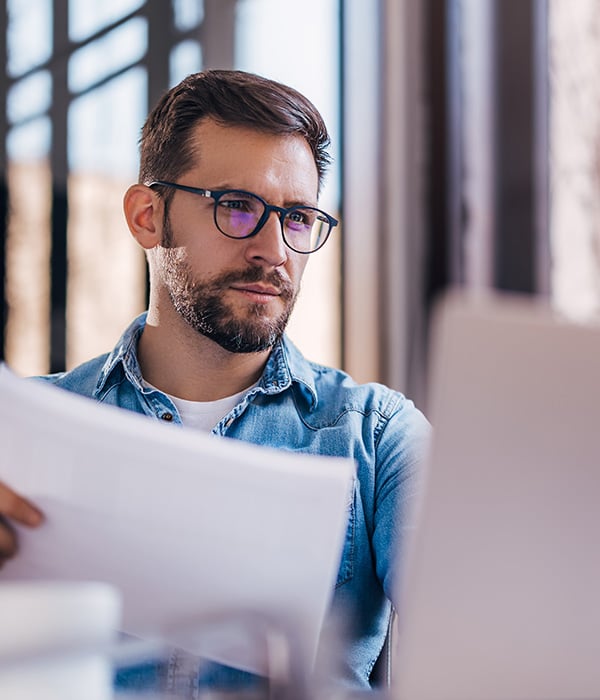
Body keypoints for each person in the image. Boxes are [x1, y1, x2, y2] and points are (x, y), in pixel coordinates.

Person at [0, 70, 429, 690]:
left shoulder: (380, 439)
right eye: (237, 207)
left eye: (299, 217)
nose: (274, 249)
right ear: (149, 216)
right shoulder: (20, 430)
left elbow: (480, 638)